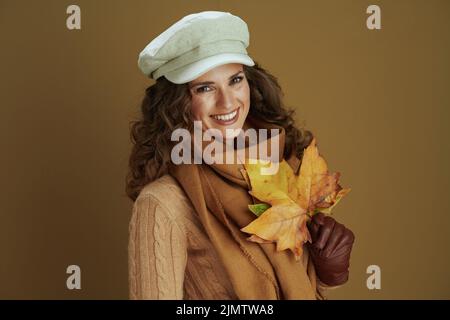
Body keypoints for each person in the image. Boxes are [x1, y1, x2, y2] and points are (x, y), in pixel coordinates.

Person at [126, 11, 355, 300]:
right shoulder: (162, 203)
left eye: (235, 80)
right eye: (205, 88)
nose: (228, 102)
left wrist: (330, 272)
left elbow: (296, 287)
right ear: (177, 103)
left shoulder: (284, 171)